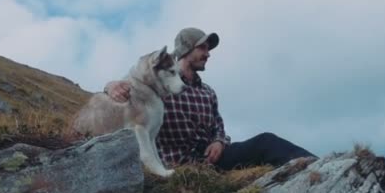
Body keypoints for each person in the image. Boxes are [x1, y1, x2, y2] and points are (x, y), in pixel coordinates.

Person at [104, 27, 316, 170]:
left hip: (212, 161)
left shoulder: (207, 92)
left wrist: (219, 142)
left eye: (208, 49)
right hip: (177, 167)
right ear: (186, 50)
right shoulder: (157, 84)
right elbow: (122, 92)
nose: (208, 54)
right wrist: (110, 86)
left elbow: (219, 127)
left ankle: (316, 167)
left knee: (266, 142)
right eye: (202, 48)